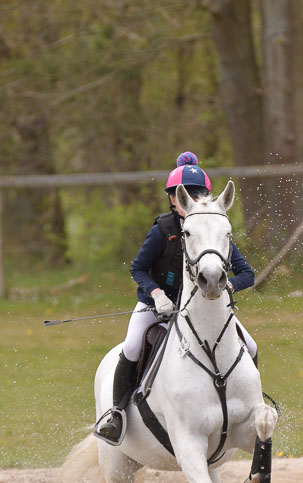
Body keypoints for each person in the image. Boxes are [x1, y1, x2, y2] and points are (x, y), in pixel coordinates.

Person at [97, 152, 256, 443]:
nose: (190, 199)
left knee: (251, 345)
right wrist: (156, 294)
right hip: (156, 305)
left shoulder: (213, 229)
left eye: (198, 194)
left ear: (205, 196)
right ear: (174, 199)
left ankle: (252, 403)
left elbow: (247, 274)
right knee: (132, 346)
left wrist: (227, 287)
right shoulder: (163, 230)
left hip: (201, 308)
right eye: (183, 195)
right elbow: (138, 268)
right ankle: (116, 413)